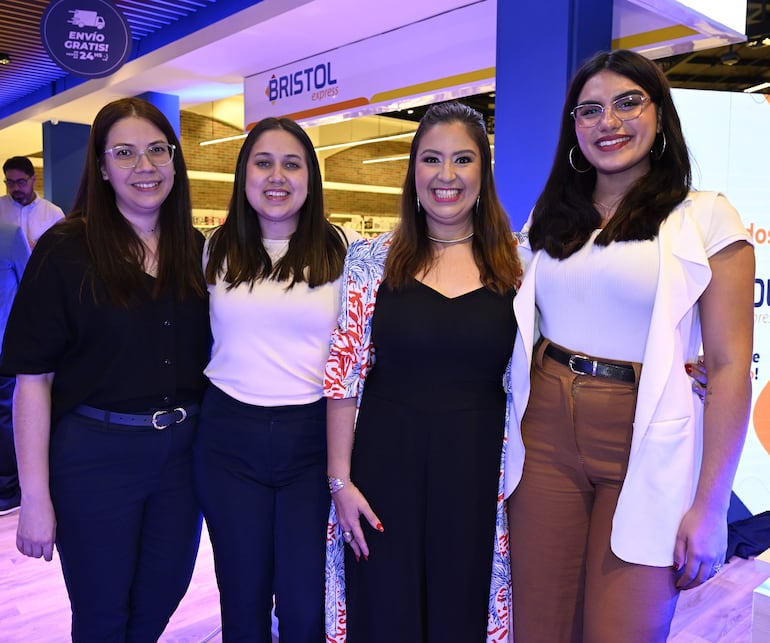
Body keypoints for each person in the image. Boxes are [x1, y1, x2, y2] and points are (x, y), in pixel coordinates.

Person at [505, 49, 754, 643]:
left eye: (627, 103)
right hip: (544, 433)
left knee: (626, 630)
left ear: (660, 116)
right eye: (589, 110)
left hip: (646, 435)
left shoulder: (706, 215)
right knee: (539, 628)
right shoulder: (551, 217)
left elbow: (727, 368)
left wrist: (711, 507)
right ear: (573, 128)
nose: (607, 122)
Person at [0, 97, 211, 641]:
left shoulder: (197, 249)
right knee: (101, 613)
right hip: (94, 457)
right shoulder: (66, 248)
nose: (145, 166)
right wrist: (35, 498)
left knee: (165, 591)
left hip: (181, 458)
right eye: (125, 152)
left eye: (157, 150)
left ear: (175, 159)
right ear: (100, 166)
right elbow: (33, 380)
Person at [324, 101, 522, 642]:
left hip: (478, 474)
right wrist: (340, 482)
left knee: (463, 611)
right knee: (385, 612)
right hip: (383, 473)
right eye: (431, 160)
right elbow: (343, 377)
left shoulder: (519, 265)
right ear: (413, 172)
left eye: (463, 159)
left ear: (483, 171)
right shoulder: (371, 259)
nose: (447, 176)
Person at [193, 116, 360, 642]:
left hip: (312, 445)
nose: (277, 176)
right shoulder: (215, 250)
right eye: (263, 163)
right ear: (244, 175)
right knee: (241, 607)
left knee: (305, 610)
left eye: (293, 164)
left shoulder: (345, 250)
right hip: (228, 443)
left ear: (311, 178)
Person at [0, 222, 30, 516]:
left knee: (7, 416)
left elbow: (30, 287)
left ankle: (8, 489)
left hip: (3, 346)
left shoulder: (9, 234)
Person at [1, 156, 65, 249]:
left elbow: (63, 250)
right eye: (10, 182)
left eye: (21, 182)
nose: (16, 188)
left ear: (33, 180)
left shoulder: (54, 214)